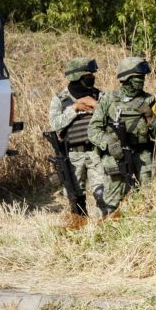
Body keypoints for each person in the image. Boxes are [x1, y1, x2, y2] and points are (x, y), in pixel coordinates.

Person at [87, 57, 156, 219]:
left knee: (148, 200)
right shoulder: (109, 99)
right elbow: (93, 129)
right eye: (138, 77)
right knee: (110, 204)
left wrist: (149, 115)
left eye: (143, 77)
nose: (142, 80)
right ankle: (105, 229)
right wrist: (109, 143)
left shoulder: (149, 100)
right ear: (126, 78)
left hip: (143, 158)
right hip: (116, 158)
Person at [48, 57, 104, 228]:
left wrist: (96, 106)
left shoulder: (99, 95)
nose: (92, 78)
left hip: (96, 152)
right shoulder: (61, 99)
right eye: (88, 75)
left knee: (103, 193)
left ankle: (106, 228)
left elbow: (113, 117)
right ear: (77, 77)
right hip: (73, 155)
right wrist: (74, 109)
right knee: (75, 198)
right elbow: (55, 125)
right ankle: (79, 229)